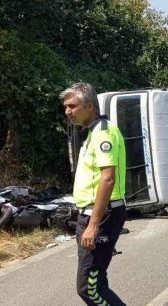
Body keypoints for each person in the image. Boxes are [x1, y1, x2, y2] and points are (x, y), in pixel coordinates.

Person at [61, 82, 127, 306]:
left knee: (89, 289)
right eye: (66, 107)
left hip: (101, 216)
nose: (68, 111)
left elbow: (107, 179)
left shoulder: (103, 134)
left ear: (89, 106)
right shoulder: (93, 132)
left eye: (72, 105)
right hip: (91, 214)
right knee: (97, 281)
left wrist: (93, 224)